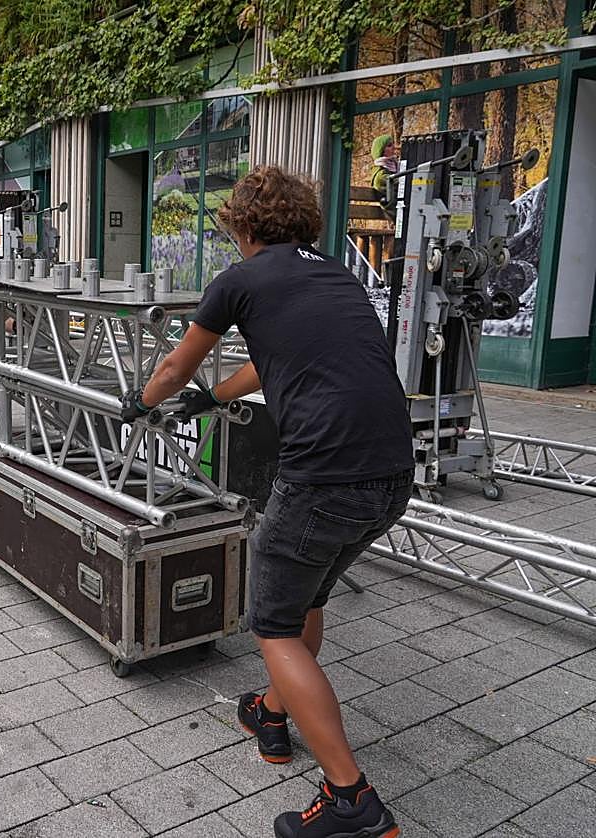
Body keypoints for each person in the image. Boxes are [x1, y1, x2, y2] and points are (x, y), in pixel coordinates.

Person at [120, 166, 412, 838]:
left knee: (273, 626)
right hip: (392, 475)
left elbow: (172, 367)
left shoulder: (239, 281)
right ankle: (272, 716)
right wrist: (215, 397)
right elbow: (277, 361)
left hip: (324, 479)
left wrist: (143, 402)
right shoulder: (334, 273)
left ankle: (353, 803)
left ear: (243, 225)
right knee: (305, 603)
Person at [369, 134, 399, 216]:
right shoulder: (380, 175)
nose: (393, 147)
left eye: (393, 144)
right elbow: (400, 185)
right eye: (389, 145)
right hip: (397, 213)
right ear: (381, 151)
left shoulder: (395, 166)